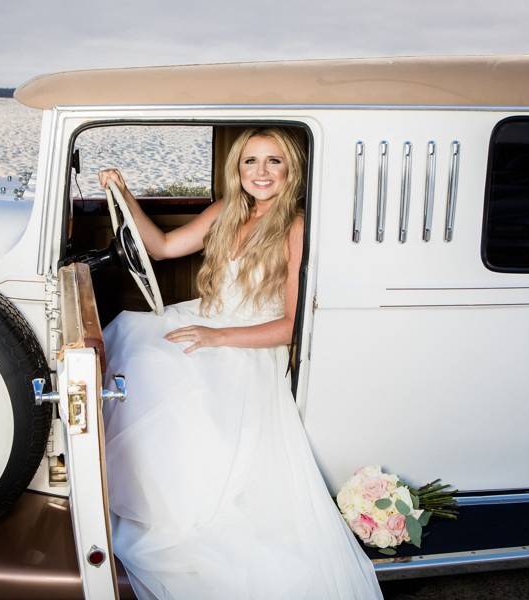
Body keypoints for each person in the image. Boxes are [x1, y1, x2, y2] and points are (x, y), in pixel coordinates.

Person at [99, 127, 382, 599]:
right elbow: (163, 248)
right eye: (251, 162)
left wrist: (217, 337)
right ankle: (129, 498)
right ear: (238, 168)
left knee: (165, 377)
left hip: (248, 343)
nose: (261, 172)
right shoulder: (228, 212)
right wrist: (124, 195)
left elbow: (292, 324)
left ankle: (171, 514)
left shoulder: (296, 227)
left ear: (290, 169)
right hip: (205, 318)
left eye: (273, 161)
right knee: (133, 346)